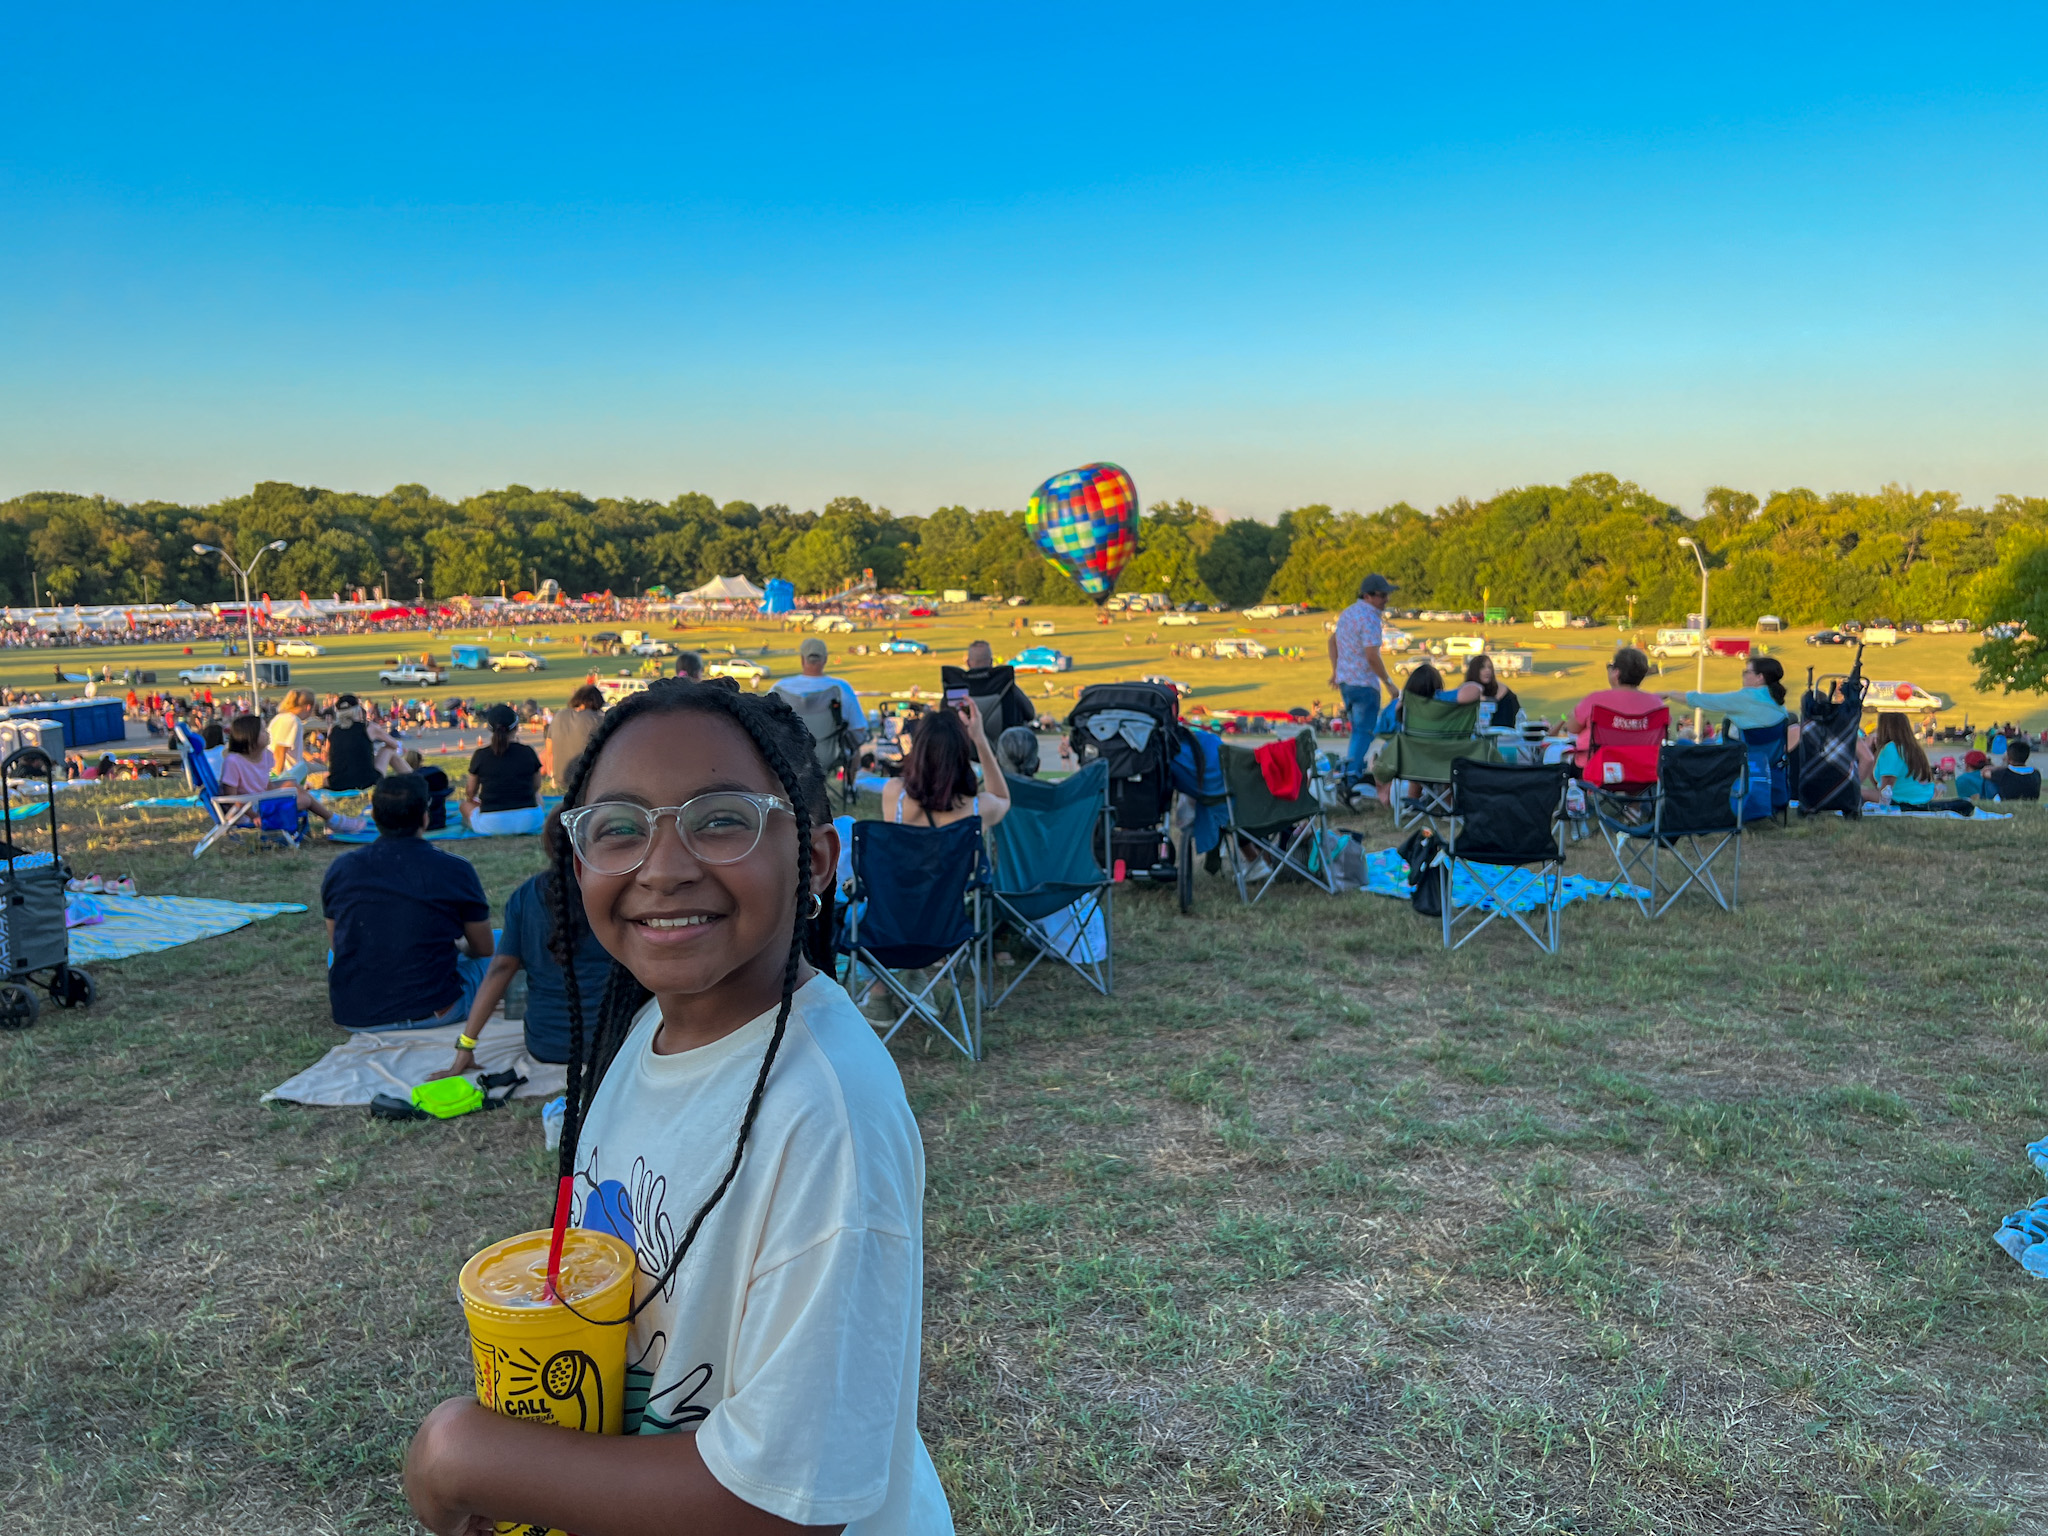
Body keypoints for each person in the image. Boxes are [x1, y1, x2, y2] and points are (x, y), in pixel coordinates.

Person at [403, 680, 952, 1536]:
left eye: (722, 818)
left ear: (814, 859)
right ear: (578, 860)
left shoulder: (827, 1115)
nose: (662, 867)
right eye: (617, 829)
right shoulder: (650, 1026)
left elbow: (784, 1509)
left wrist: (464, 1454)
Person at [429, 816, 615, 1079]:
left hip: (547, 1045)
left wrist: (465, 1046)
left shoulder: (526, 896)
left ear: (548, 845)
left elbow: (500, 970)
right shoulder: (617, 893)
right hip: (618, 1042)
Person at [320, 774, 494, 1030]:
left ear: (375, 817)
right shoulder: (455, 869)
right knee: (505, 947)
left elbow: (338, 944)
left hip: (356, 1016)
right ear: (424, 817)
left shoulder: (341, 868)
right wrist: (458, 947)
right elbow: (484, 948)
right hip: (435, 1010)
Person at [879, 696, 1011, 832]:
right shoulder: (978, 808)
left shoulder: (895, 795)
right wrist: (980, 739)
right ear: (962, 755)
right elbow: (1002, 799)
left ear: (918, 751)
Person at [219, 714, 367, 833]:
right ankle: (334, 820)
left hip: (261, 799)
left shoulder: (265, 755)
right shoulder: (233, 762)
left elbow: (266, 785)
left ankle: (332, 820)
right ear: (250, 737)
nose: (268, 733)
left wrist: (285, 791)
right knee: (305, 800)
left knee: (292, 784)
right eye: (263, 731)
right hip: (244, 811)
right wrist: (253, 815)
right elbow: (231, 798)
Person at [1328, 573, 1397, 792]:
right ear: (1367, 596)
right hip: (1364, 684)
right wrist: (1388, 682)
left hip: (1347, 683)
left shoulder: (1349, 613)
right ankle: (1351, 779)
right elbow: (1372, 656)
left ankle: (1349, 771)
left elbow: (1332, 640)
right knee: (1364, 732)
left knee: (1359, 730)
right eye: (1382, 595)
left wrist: (1336, 670)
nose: (1386, 599)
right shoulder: (1370, 618)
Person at [1664, 656, 1801, 751]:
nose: (1743, 675)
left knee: (1683, 742)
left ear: (1760, 678)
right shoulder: (1779, 706)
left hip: (1734, 761)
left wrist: (1670, 693)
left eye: (1746, 672)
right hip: (1769, 768)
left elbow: (1702, 700)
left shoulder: (1745, 698)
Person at [1568, 646, 1662, 764]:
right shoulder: (1656, 704)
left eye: (1610, 667)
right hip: (1642, 771)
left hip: (1596, 771)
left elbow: (1572, 728)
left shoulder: (1595, 700)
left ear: (1616, 673)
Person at [463, 703, 545, 835]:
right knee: (538, 797)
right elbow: (536, 786)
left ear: (490, 728)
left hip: (491, 823)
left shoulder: (481, 755)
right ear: (516, 727)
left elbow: (471, 791)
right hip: (529, 822)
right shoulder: (528, 752)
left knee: (465, 806)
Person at [776, 636, 867, 731]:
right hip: (830, 745)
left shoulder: (780, 688)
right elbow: (859, 729)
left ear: (802, 659)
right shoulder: (841, 688)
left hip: (792, 745)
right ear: (825, 659)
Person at [1863, 712, 1939, 807]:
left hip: (1904, 801)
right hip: (1923, 797)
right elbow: (1879, 784)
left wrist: (1866, 749)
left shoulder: (1891, 749)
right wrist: (1872, 753)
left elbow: (1886, 790)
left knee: (1855, 792)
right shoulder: (1911, 747)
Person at [960, 640, 1036, 733]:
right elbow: (1030, 713)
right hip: (1003, 743)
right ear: (991, 662)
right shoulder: (1004, 683)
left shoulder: (957, 686)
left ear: (968, 663)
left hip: (965, 743)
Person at [323, 693, 391, 792]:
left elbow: (327, 754)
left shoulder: (332, 730)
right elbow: (394, 744)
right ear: (358, 710)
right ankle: (414, 779)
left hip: (337, 782)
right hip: (366, 782)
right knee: (388, 749)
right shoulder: (368, 727)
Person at [545, 683, 605, 788]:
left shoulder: (559, 715)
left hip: (559, 779)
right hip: (585, 782)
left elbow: (549, 750)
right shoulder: (598, 719)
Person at [266, 688, 317, 781]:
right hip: (288, 774)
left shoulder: (280, 717)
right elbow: (280, 750)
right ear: (308, 707)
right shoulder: (292, 720)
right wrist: (278, 778)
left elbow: (289, 746)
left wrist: (307, 756)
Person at [1986, 737, 2041, 801]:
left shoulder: (2003, 773)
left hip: (2005, 801)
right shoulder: (2036, 773)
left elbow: (1985, 773)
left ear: (2008, 758)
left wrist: (1998, 765)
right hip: (2030, 800)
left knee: (1988, 780)